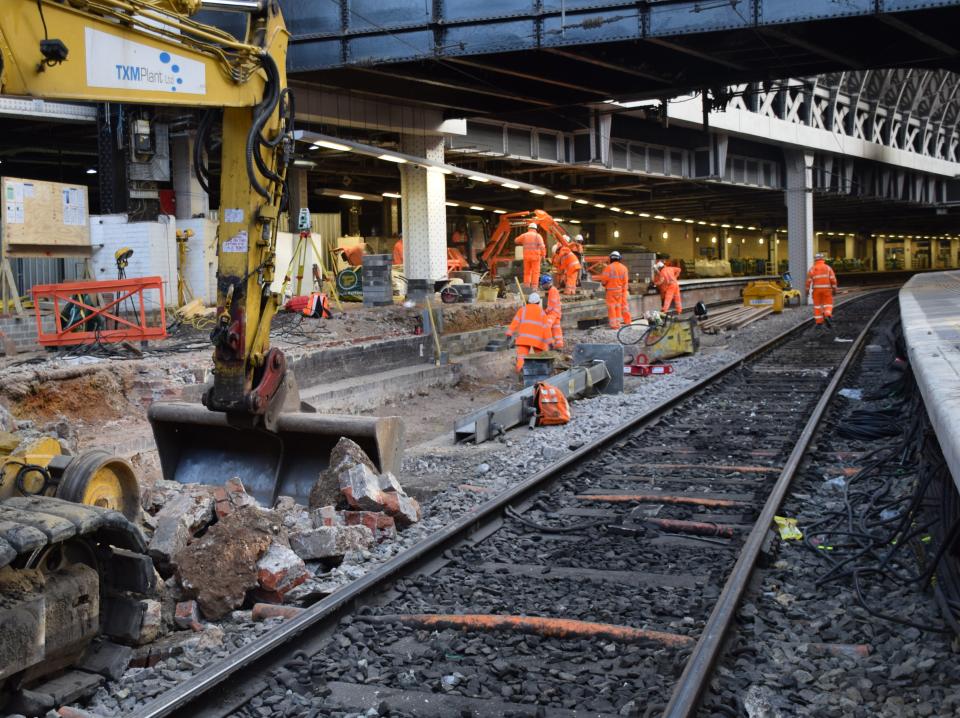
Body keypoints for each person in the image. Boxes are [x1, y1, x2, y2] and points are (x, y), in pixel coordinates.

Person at [505, 291, 552, 372]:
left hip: (523, 340)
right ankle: (539, 373)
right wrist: (550, 342)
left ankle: (520, 373)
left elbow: (514, 322)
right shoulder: (542, 312)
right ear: (538, 302)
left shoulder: (522, 310)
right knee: (540, 358)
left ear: (528, 301)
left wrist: (509, 333)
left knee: (521, 359)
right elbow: (546, 328)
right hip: (538, 342)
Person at [596, 251, 632, 329]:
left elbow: (604, 281)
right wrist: (624, 291)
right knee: (618, 307)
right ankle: (618, 323)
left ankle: (613, 325)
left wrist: (605, 285)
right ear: (619, 258)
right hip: (620, 292)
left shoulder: (608, 268)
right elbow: (625, 282)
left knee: (612, 308)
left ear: (611, 258)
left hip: (611, 292)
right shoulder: (624, 268)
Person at [805, 252, 838, 327]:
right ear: (823, 259)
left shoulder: (812, 269)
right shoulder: (828, 268)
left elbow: (808, 281)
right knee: (828, 304)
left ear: (815, 260)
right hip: (827, 290)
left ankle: (819, 322)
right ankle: (827, 314)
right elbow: (833, 280)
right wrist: (834, 289)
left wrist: (807, 291)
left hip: (816, 291)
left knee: (817, 306)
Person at [515, 222, 546, 289]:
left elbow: (516, 240)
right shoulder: (538, 236)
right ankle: (534, 287)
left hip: (526, 257)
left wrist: (522, 241)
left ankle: (526, 287)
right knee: (535, 272)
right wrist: (543, 256)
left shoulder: (524, 235)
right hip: (536, 258)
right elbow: (542, 247)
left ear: (528, 228)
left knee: (527, 272)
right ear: (536, 229)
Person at [540, 275, 564, 349]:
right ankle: (559, 344)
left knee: (546, 326)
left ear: (546, 284)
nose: (542, 287)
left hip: (553, 313)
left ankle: (547, 344)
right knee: (556, 329)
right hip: (557, 313)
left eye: (543, 285)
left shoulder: (552, 291)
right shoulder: (554, 290)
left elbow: (551, 304)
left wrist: (545, 311)